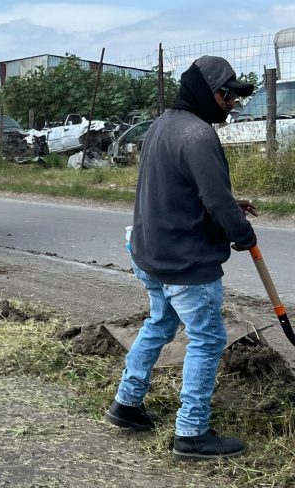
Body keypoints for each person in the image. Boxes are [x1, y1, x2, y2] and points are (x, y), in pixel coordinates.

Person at [105, 56, 258, 461]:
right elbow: (215, 201)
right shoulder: (197, 135)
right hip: (184, 263)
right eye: (227, 95)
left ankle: (126, 405)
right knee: (208, 340)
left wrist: (227, 205)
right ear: (206, 92)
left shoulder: (163, 125)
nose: (230, 103)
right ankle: (191, 432)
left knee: (159, 323)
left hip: (149, 252)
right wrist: (241, 233)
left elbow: (181, 188)